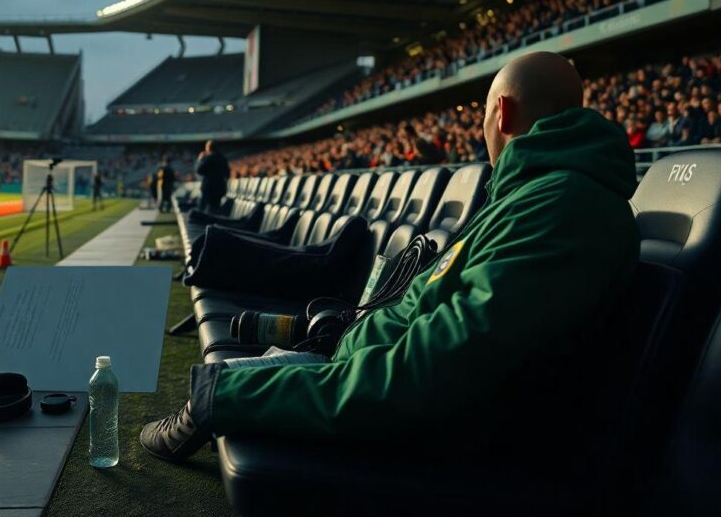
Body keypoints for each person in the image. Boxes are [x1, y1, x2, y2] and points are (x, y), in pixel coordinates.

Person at [139, 52, 640, 465]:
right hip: (366, 371)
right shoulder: (533, 198)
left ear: (502, 114)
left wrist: (227, 395)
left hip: (438, 429)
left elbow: (426, 376)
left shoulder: (561, 208)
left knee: (228, 382)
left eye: (483, 116)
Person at [194, 140, 230, 213]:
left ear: (208, 148)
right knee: (215, 208)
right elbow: (227, 174)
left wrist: (200, 160)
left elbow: (199, 170)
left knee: (204, 210)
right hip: (220, 187)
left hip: (209, 188)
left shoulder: (209, 158)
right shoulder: (223, 158)